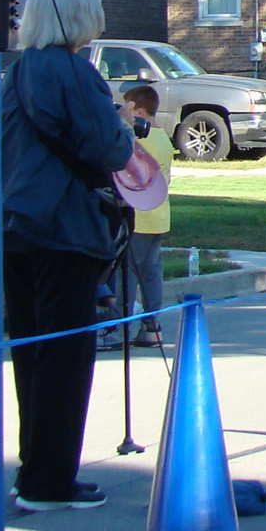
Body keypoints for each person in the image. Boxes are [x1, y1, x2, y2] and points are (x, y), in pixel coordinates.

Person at [1, 0, 135, 513]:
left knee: (30, 355)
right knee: (65, 358)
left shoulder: (15, 73)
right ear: (83, 17)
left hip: (14, 228)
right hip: (64, 228)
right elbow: (109, 149)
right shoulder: (76, 73)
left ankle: (32, 468)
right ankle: (50, 481)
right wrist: (122, 125)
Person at [99, 84, 172, 350]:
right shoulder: (164, 138)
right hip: (159, 215)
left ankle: (119, 329)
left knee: (126, 275)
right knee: (151, 273)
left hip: (137, 216)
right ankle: (152, 327)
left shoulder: (138, 140)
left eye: (128, 109)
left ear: (139, 112)